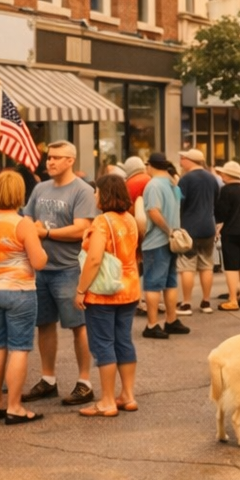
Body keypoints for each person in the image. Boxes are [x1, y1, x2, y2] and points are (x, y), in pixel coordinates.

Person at [16, 141, 98, 408]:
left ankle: (84, 383)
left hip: (69, 269)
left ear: (70, 160)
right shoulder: (40, 188)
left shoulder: (82, 191)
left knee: (78, 326)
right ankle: (48, 380)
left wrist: (46, 233)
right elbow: (26, 218)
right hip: (40, 269)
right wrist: (31, 227)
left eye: (56, 158)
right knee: (44, 324)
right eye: (48, 158)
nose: (49, 162)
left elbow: (81, 229)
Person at [0, 170, 49, 424]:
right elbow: (39, 261)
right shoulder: (22, 223)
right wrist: (39, 236)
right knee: (19, 348)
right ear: (19, 194)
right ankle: (15, 407)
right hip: (18, 290)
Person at [74, 173, 140, 417]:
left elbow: (94, 259)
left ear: (105, 194)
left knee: (103, 344)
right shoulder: (130, 219)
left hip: (104, 293)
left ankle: (107, 401)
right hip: (129, 288)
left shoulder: (102, 222)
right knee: (123, 341)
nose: (94, 195)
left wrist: (81, 290)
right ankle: (128, 396)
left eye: (97, 191)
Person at [140, 153, 188, 338]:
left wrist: (168, 230)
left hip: (157, 240)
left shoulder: (152, 185)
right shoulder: (172, 183)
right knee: (170, 283)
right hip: (173, 241)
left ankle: (152, 325)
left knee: (152, 284)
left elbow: (153, 211)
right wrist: (173, 232)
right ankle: (171, 320)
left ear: (150, 165)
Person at [176, 149, 221, 315]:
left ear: (190, 160)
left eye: (183, 158)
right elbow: (216, 200)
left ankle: (187, 303)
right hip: (208, 226)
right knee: (206, 265)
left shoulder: (186, 179)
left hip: (189, 227)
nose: (181, 161)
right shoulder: (212, 178)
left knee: (187, 266)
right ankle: (206, 301)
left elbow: (179, 202)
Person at [213, 161, 240, 310]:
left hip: (231, 230)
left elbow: (221, 212)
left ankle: (232, 299)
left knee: (231, 266)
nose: (221, 175)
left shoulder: (226, 190)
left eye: (223, 173)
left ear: (228, 175)